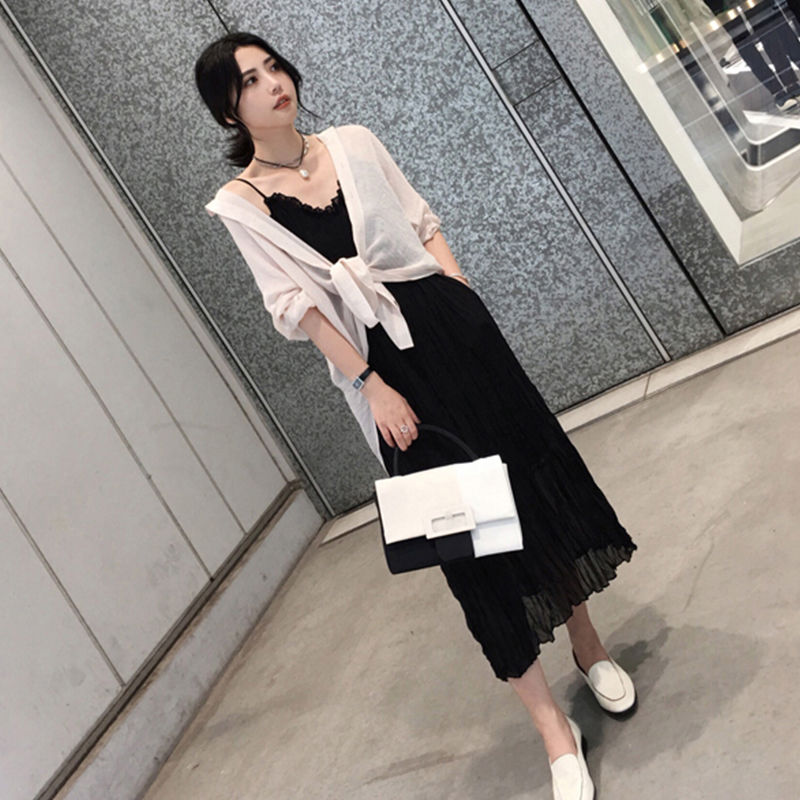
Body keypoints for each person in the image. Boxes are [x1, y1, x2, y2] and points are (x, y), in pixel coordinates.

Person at [195, 31, 637, 800]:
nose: (272, 83)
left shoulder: (354, 142)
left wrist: (463, 298)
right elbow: (297, 308)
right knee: (469, 539)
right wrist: (371, 384)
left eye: (273, 67)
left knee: (531, 490)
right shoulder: (241, 205)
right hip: (385, 371)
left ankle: (588, 645)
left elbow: (422, 222)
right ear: (229, 112)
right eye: (249, 81)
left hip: (454, 335)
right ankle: (551, 730)